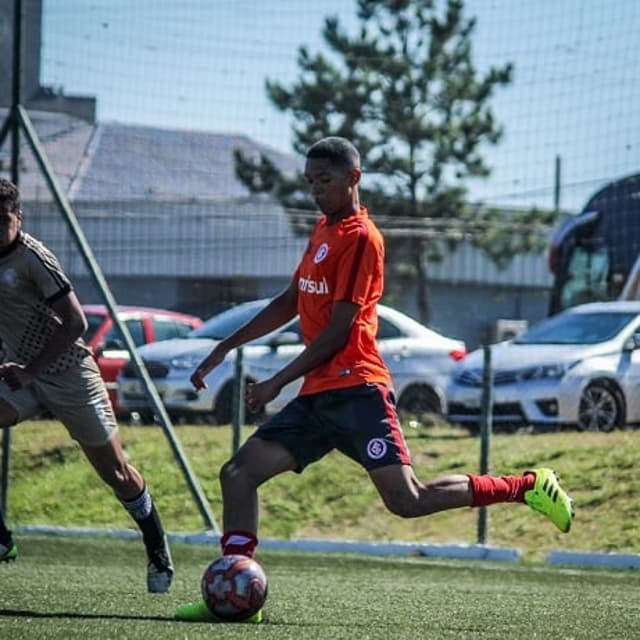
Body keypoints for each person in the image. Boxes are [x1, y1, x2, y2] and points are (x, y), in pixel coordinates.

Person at [175, 137, 574, 623]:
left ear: (353, 179)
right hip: (319, 395)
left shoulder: (363, 239)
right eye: (311, 182)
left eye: (326, 181)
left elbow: (340, 331)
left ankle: (527, 485)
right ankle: (240, 595)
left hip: (359, 390)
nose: (317, 191)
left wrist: (277, 381)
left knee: (409, 501)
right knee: (238, 474)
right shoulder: (323, 230)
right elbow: (290, 301)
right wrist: (224, 345)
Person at [0, 178, 173, 593]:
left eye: (0, 219)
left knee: (115, 473)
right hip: (21, 375)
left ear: (18, 218)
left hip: (69, 373)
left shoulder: (32, 258)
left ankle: (156, 544)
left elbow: (76, 322)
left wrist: (30, 368)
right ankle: (2, 538)